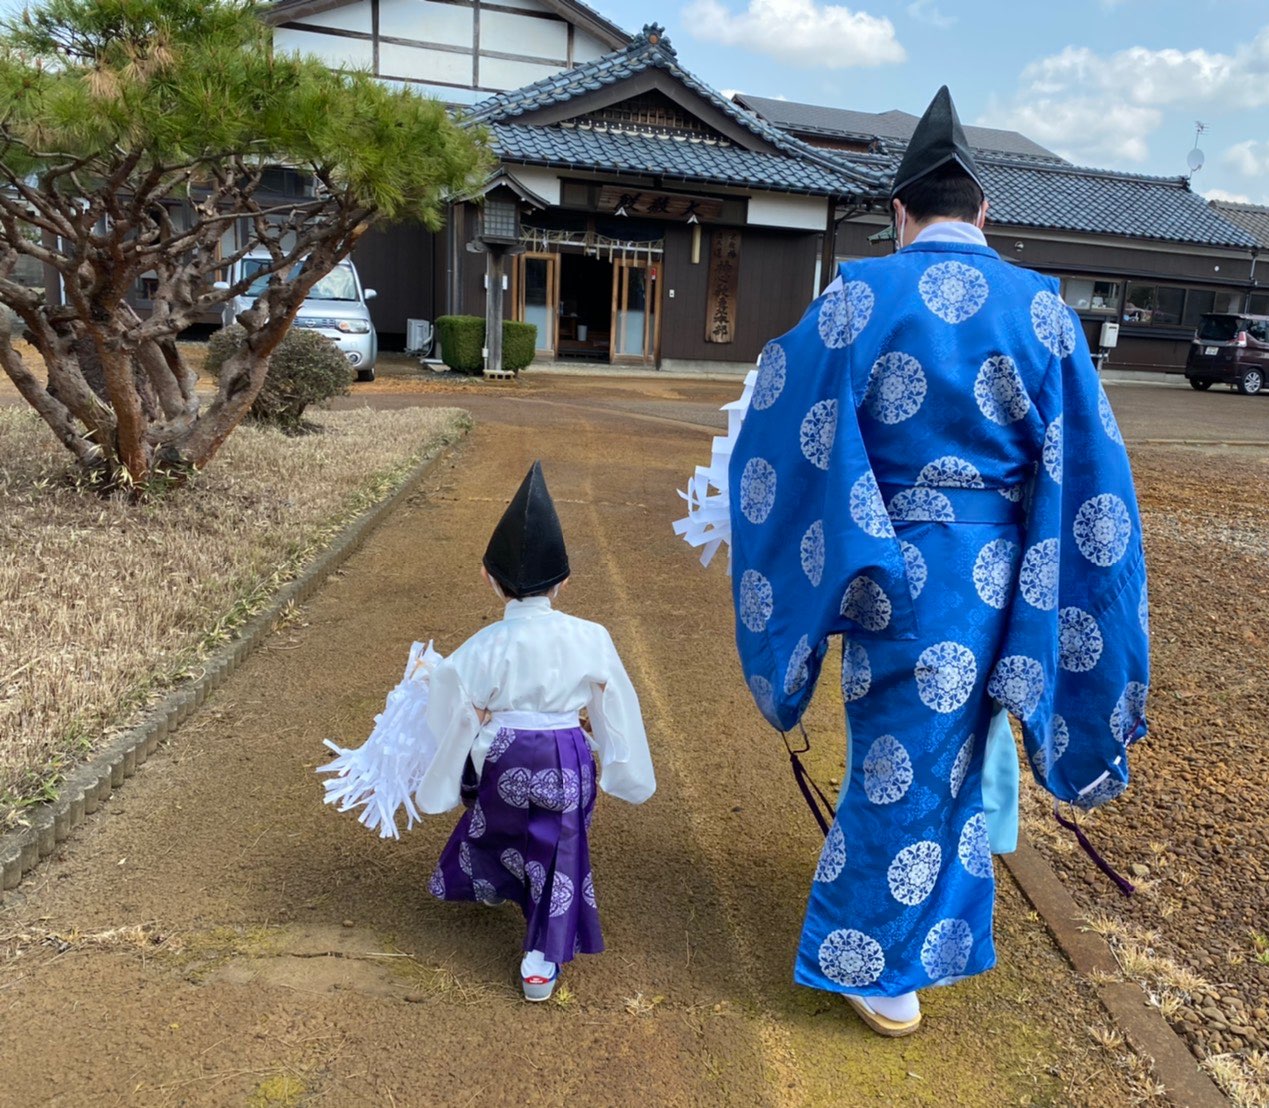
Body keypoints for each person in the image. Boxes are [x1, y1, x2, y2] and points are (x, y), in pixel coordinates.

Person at [726, 87, 1150, 1036]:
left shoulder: (858, 295)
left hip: (896, 564)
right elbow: (1091, 473)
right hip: (1008, 572)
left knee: (904, 764)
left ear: (899, 212)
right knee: (943, 764)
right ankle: (876, 952)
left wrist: (828, 532)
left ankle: (891, 949)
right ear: (985, 212)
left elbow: (783, 421)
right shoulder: (1044, 310)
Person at [414, 461, 656, 1001]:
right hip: (566, 754)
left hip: (502, 756)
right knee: (560, 847)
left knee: (496, 822)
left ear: (488, 578)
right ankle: (541, 959)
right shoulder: (591, 636)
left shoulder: (483, 647)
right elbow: (614, 700)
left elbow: (451, 702)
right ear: (564, 580)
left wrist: (433, 689)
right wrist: (621, 766)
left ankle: (500, 884)